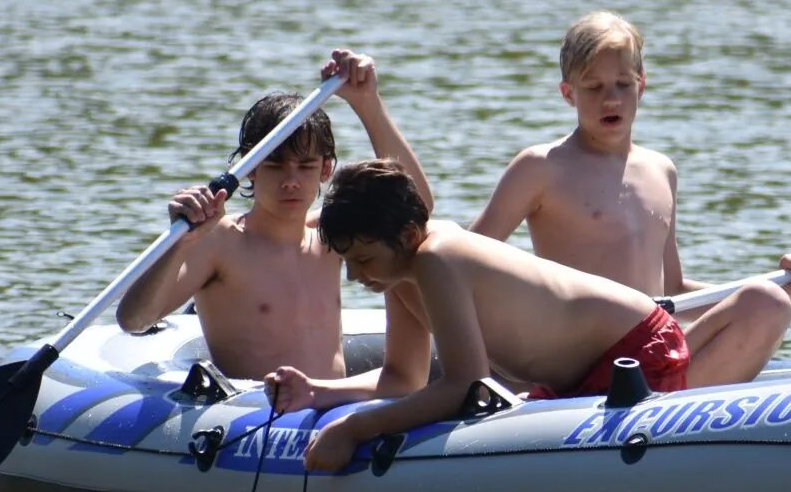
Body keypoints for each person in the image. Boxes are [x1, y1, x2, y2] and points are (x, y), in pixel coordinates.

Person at [466, 11, 791, 388]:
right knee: (765, 300)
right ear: (568, 94)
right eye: (594, 87)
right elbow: (461, 265)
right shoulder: (540, 167)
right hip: (584, 369)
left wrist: (780, 283)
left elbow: (673, 290)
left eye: (622, 84)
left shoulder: (661, 169)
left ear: (641, 86)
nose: (611, 99)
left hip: (654, 356)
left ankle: (669, 409)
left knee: (767, 303)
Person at [267, 159, 692, 472]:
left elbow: (467, 384)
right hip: (570, 381)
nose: (356, 276)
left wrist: (355, 429)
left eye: (363, 259)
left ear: (409, 235)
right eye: (347, 263)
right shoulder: (396, 272)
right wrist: (318, 391)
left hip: (636, 349)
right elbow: (403, 378)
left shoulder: (435, 259)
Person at [114, 49, 432, 380]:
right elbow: (134, 321)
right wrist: (181, 242)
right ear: (250, 168)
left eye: (305, 166)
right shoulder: (220, 242)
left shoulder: (329, 236)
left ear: (325, 170)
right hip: (258, 409)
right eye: (275, 165)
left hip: (335, 404)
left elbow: (417, 205)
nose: (291, 181)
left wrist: (367, 103)